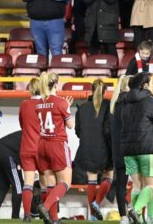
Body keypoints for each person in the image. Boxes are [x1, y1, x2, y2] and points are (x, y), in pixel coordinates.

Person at [120, 73, 153, 224]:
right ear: (145, 85)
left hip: (128, 149)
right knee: (151, 186)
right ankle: (136, 210)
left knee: (137, 185)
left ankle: (142, 219)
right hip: (148, 148)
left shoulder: (125, 102)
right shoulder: (152, 102)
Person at [35, 72, 75, 224]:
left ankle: (54, 219)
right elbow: (71, 125)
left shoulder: (39, 103)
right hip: (57, 144)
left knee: (50, 183)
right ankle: (45, 206)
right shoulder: (61, 102)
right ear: (56, 84)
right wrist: (68, 109)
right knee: (65, 183)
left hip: (42, 144)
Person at [75, 79, 113, 221]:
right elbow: (109, 130)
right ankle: (97, 202)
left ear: (92, 90)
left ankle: (92, 215)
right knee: (109, 177)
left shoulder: (82, 107)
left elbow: (78, 131)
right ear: (105, 92)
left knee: (91, 181)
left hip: (86, 148)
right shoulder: (108, 106)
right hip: (104, 148)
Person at [19, 78, 45, 222]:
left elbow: (22, 125)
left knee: (28, 183)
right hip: (42, 148)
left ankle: (27, 215)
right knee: (45, 183)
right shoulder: (46, 104)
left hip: (27, 147)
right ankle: (45, 211)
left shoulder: (24, 105)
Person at [110, 76, 132, 223]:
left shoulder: (114, 104)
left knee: (121, 183)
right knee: (142, 182)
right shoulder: (131, 102)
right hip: (131, 147)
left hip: (117, 148)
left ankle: (124, 215)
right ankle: (134, 210)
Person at [0, 131, 23, 220]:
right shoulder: (34, 135)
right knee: (19, 186)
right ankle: (15, 217)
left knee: (3, 186)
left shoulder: (26, 132)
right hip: (7, 153)